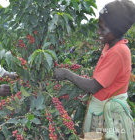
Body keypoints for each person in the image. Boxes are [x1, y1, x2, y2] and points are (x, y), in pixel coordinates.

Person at [54, 0, 135, 139]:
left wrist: (67, 73)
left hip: (110, 120)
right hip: (102, 113)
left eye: (102, 29)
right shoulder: (110, 46)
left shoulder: (119, 51)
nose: (98, 32)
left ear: (116, 30)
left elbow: (94, 86)